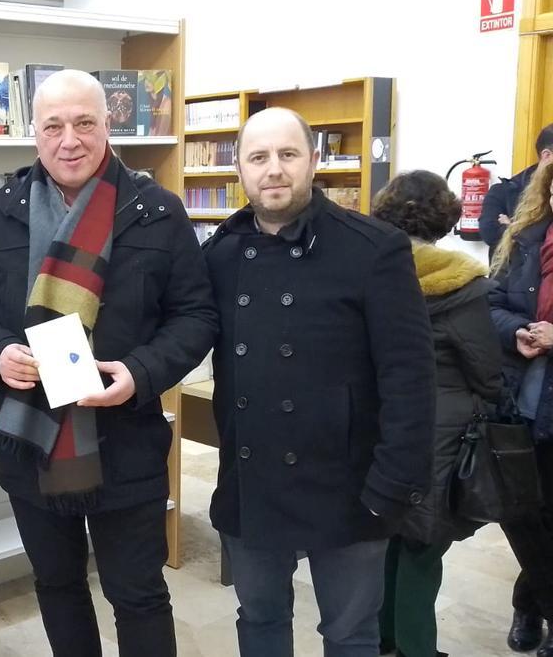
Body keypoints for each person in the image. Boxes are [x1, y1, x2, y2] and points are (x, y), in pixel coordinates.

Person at [0, 69, 217, 657]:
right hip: (31, 443)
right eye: (54, 126)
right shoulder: (2, 212)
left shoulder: (158, 211)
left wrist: (139, 374)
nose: (70, 140)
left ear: (108, 126)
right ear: (33, 134)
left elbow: (197, 317)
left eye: (84, 123)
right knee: (57, 583)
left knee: (137, 592)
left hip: (128, 441)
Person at [202, 107, 435, 657]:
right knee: (258, 620)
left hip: (349, 484)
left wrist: (393, 485)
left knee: (350, 633)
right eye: (258, 157)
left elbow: (410, 377)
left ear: (314, 161)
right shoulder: (219, 254)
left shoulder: (374, 248)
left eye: (288, 154)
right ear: (239, 168)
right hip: (252, 479)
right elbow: (179, 332)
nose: (273, 169)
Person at [371, 170, 502, 657]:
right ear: (445, 216)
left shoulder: (373, 270)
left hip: (382, 423)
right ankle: (417, 648)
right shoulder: (464, 286)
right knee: (424, 549)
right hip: (441, 433)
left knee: (386, 537)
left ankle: (381, 640)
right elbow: (487, 373)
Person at [488, 160, 553, 657]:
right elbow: (490, 303)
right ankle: (534, 603)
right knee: (524, 512)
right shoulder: (527, 237)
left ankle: (532, 602)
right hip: (524, 400)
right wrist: (517, 330)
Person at [483, 124, 553, 260]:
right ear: (547, 155)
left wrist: (513, 228)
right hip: (512, 278)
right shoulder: (504, 191)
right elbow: (490, 233)